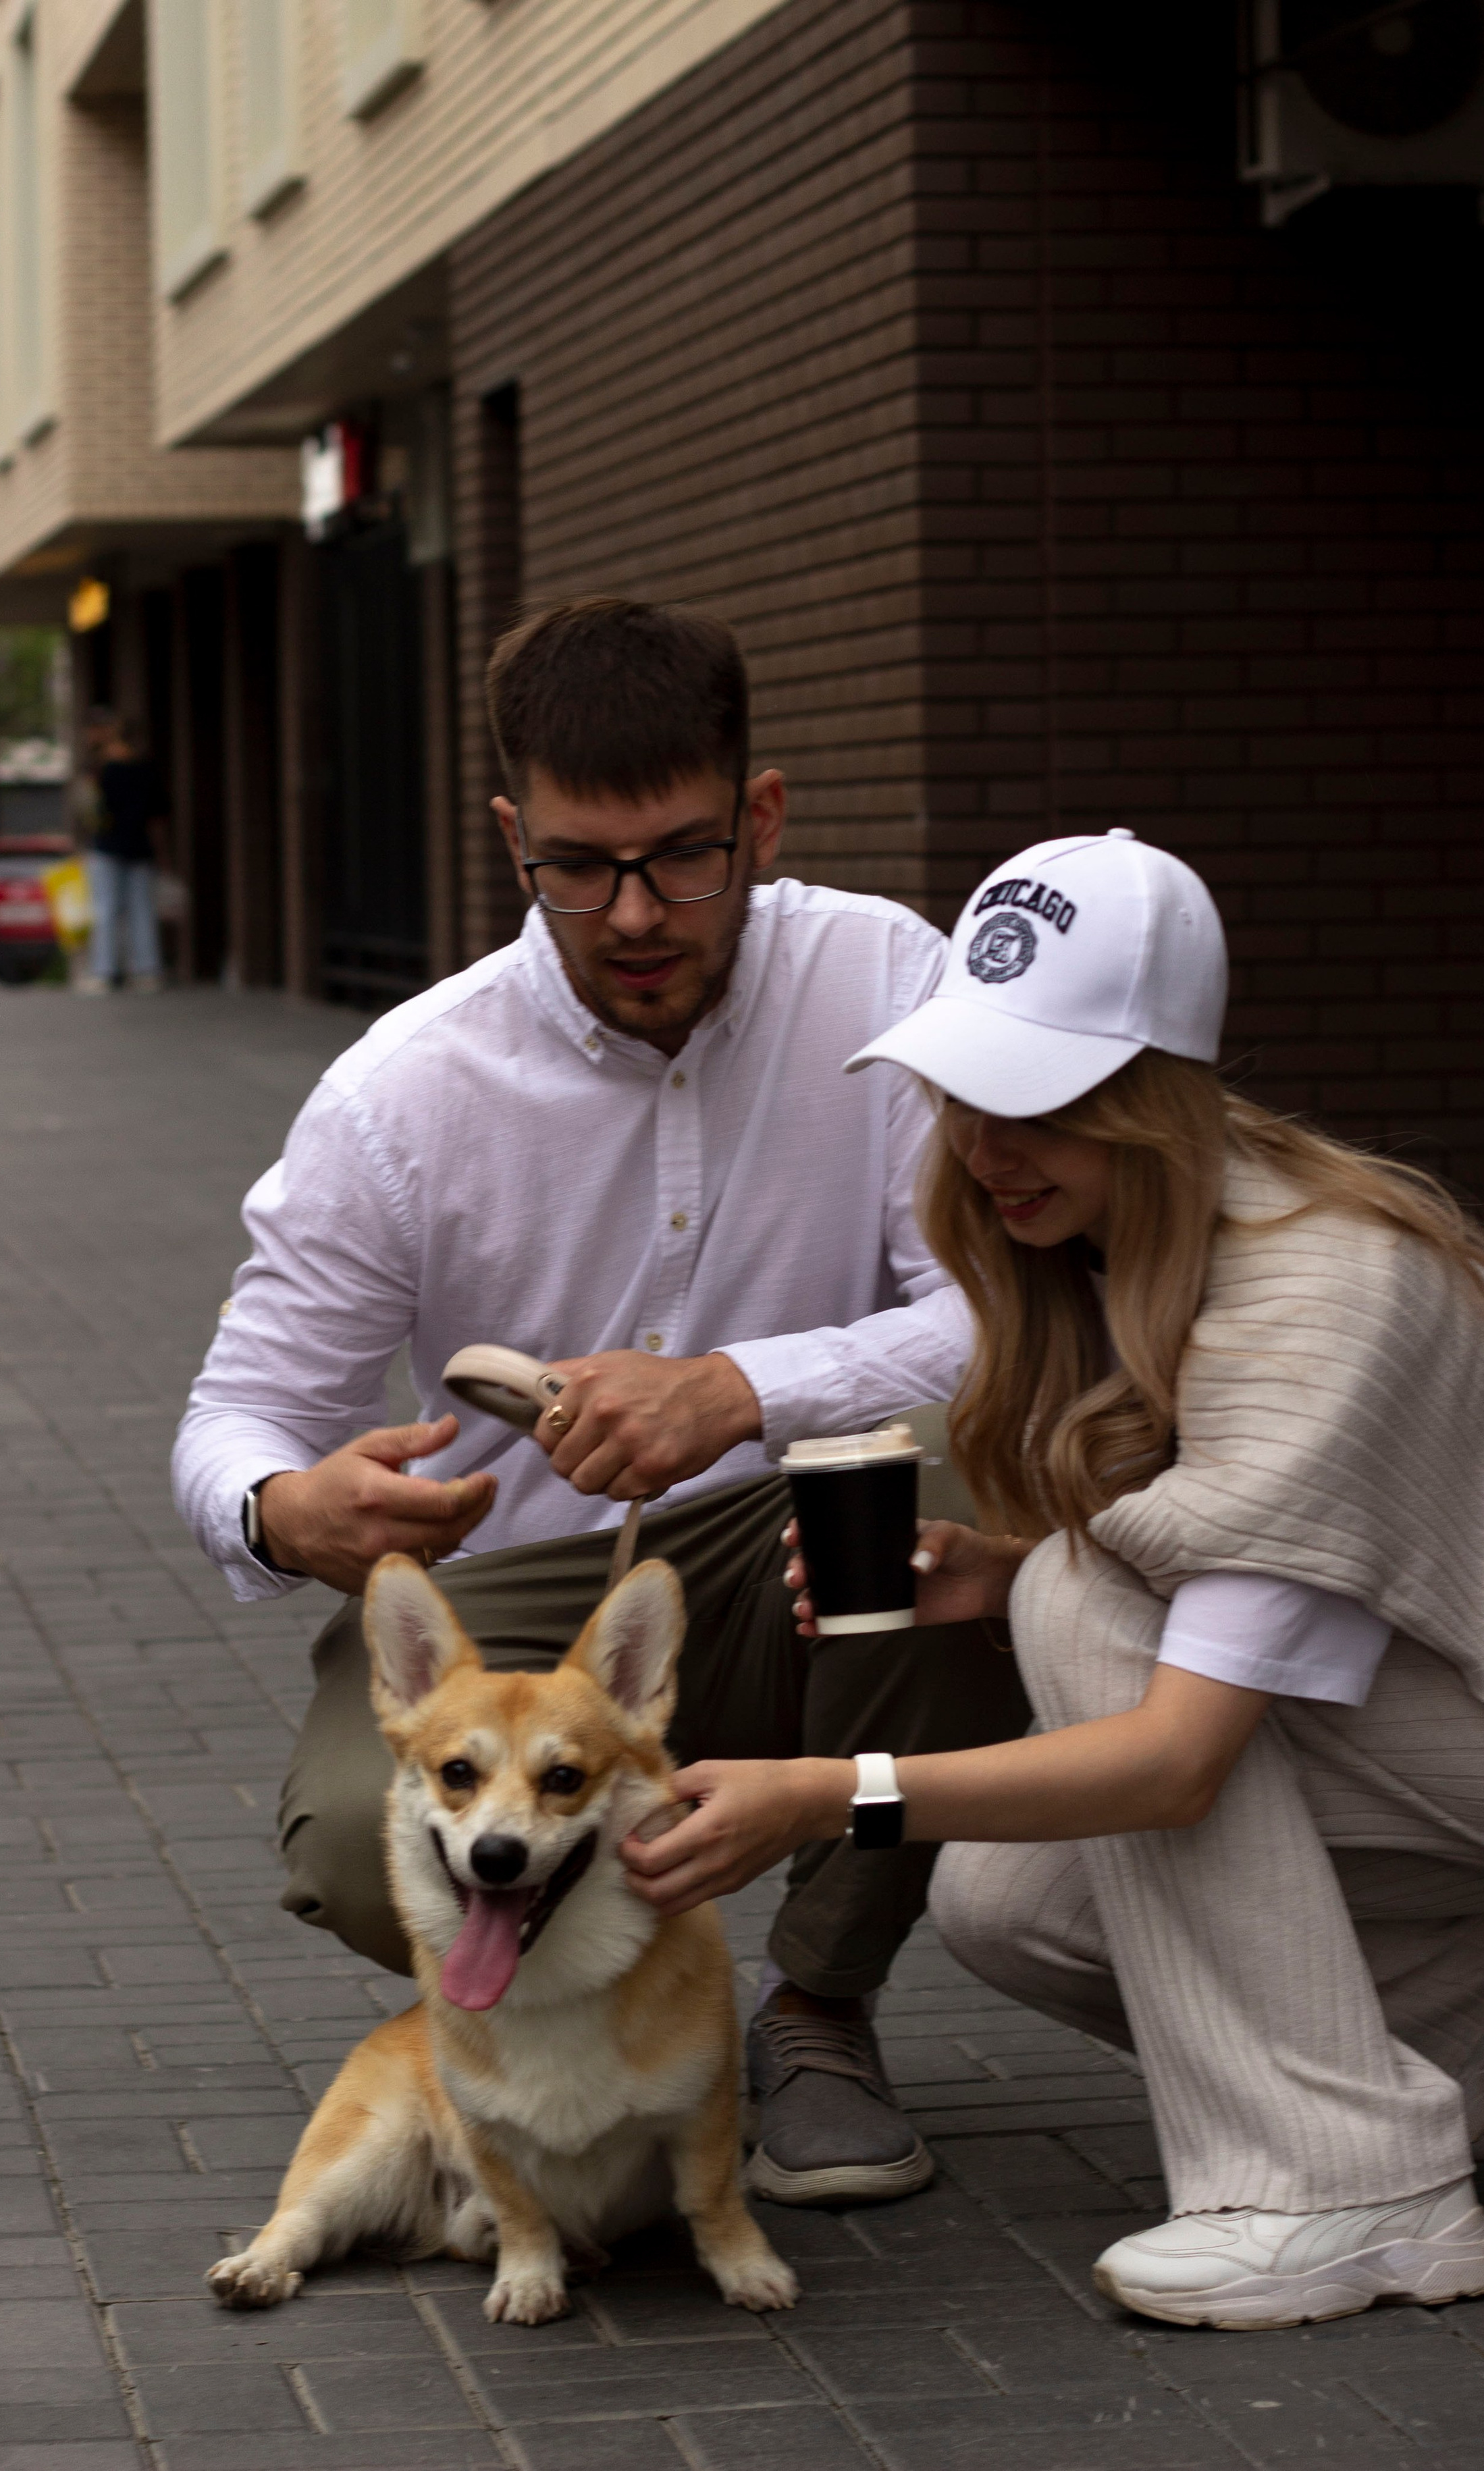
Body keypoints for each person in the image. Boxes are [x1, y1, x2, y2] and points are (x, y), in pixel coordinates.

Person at [620, 828, 1484, 2328]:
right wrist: (996, 1572)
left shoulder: (1315, 1292)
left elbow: (1177, 1757)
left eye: (1042, 1100)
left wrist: (826, 1791)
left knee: (1085, 1616)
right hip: (1449, 1685)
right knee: (1010, 1899)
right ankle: (1479, 2007)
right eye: (966, 1089)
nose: (985, 1144)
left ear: (1151, 1095)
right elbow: (1223, 1585)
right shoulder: (1116, 1230)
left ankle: (1350, 2190)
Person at [172, 598, 1030, 2207]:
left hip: (788, 1548)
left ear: (760, 814)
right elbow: (232, 1417)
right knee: (354, 1831)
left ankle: (816, 2007)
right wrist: (285, 1508)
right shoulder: (403, 1088)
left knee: (936, 1556)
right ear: (511, 834)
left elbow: (998, 1315)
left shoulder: (888, 981)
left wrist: (742, 1387)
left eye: (684, 858)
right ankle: (582, 2019)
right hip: (521, 1606)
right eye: (576, 864)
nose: (634, 912)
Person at [81, 717, 168, 994]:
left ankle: (105, 972)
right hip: (140, 847)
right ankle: (147, 972)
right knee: (142, 910)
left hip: (108, 847)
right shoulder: (146, 769)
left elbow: (92, 810)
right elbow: (161, 809)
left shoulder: (104, 771)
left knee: (105, 909)